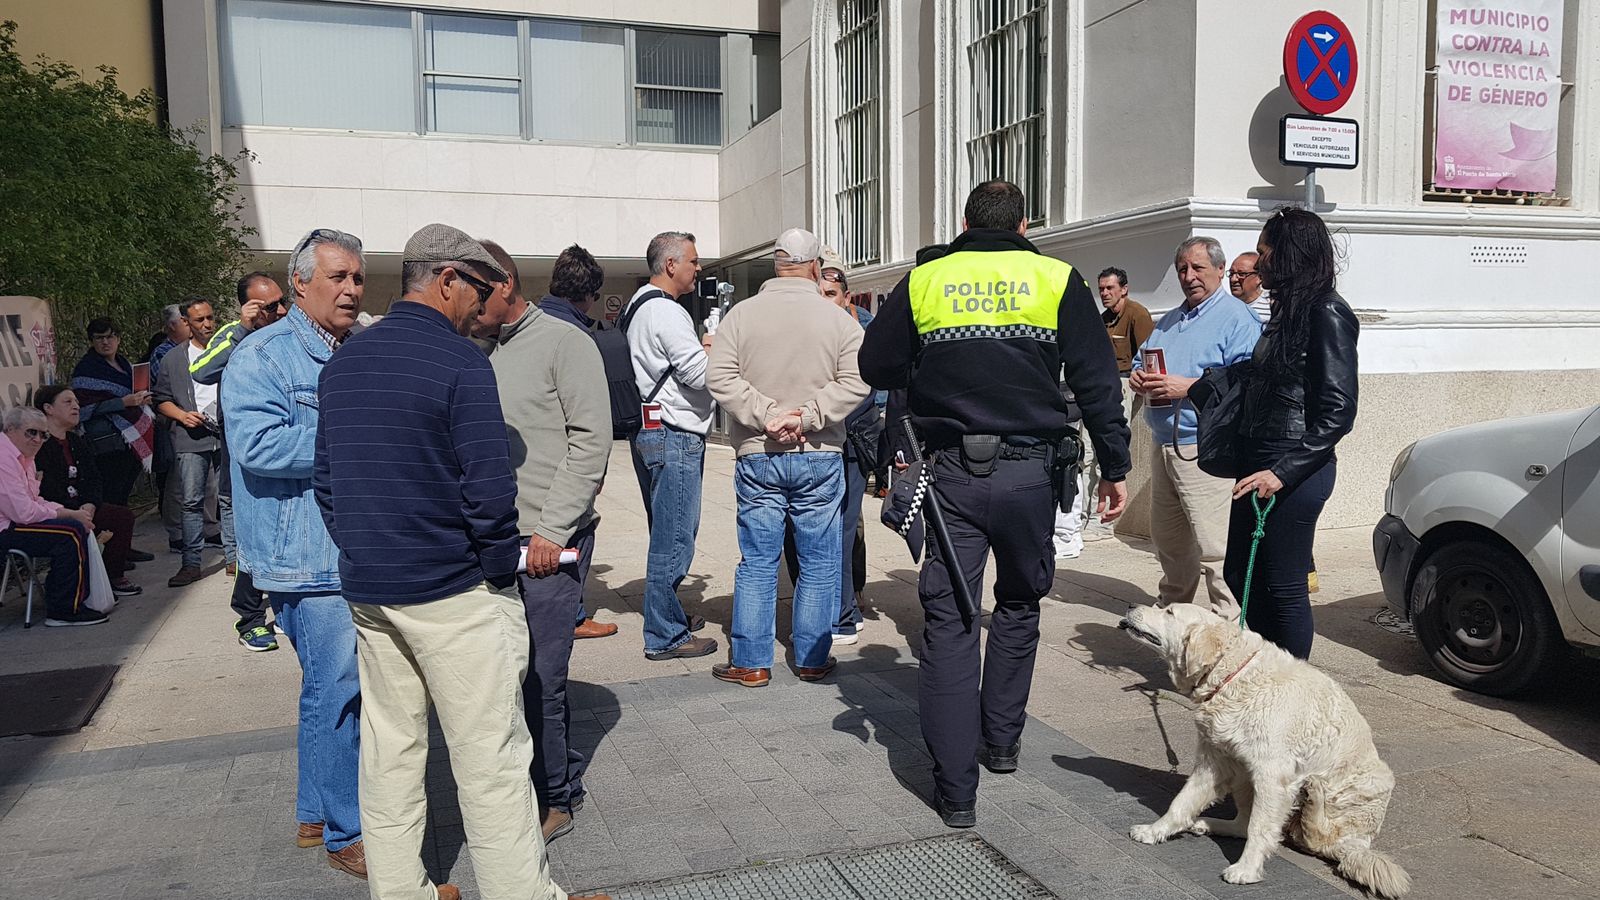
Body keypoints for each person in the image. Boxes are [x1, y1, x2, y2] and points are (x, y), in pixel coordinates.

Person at [317, 224, 600, 900]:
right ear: (447, 281)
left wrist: (365, 550)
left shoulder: (345, 361)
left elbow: (327, 482)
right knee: (492, 763)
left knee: (390, 754)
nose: (485, 303)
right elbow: (490, 491)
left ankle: (402, 890)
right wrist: (497, 569)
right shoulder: (462, 362)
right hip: (453, 591)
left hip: (372, 590)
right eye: (478, 288)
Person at [860, 181, 1131, 828]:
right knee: (1017, 603)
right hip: (1029, 476)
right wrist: (1115, 466)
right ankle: (1002, 745)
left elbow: (876, 365)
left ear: (964, 221)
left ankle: (955, 795)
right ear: (1024, 223)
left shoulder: (928, 279)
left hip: (950, 474)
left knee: (950, 622)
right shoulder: (1056, 278)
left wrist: (935, 369)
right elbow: (1095, 381)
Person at [224, 229, 366, 877]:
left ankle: (316, 813)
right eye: (338, 277)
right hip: (301, 554)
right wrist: (355, 437)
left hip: (339, 547)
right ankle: (347, 833)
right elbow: (257, 446)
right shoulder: (265, 355)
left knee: (326, 688)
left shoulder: (351, 348)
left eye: (357, 278)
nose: (351, 289)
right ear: (301, 283)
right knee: (339, 689)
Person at [474, 238, 610, 845]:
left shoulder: (564, 342)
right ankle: (520, 784)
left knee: (541, 678)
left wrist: (552, 530)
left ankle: (557, 796)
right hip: (488, 541)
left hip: (547, 545)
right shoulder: (474, 348)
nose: (468, 306)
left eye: (476, 293)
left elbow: (590, 444)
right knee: (501, 677)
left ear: (504, 284)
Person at [706, 228, 870, 688]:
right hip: (819, 451)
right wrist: (810, 415)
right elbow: (859, 381)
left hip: (759, 451)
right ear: (816, 266)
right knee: (819, 560)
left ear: (775, 265)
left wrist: (767, 414)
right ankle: (814, 657)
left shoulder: (741, 316)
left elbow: (719, 377)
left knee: (758, 560)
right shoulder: (838, 320)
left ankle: (752, 661)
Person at [1220, 208, 1358, 659]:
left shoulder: (1328, 311)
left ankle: (1290, 684)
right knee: (1240, 573)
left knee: (1282, 584)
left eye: (1264, 252)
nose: (1258, 264)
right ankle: (1264, 669)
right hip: (1259, 457)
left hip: (1294, 466)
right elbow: (1268, 374)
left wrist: (1282, 472)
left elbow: (1339, 409)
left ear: (1289, 254)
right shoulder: (1284, 311)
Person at [1130, 236, 1261, 613]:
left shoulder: (1238, 318)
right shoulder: (1170, 320)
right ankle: (1173, 619)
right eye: (1183, 269)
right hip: (1164, 443)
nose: (1189, 276)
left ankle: (1231, 627)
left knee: (1215, 549)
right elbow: (1142, 361)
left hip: (1207, 449)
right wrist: (1139, 378)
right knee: (1171, 545)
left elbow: (1246, 381)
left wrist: (1189, 387)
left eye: (1198, 268)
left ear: (1220, 270)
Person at [622, 231, 718, 662]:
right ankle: (664, 634)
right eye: (693, 262)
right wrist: (714, 348)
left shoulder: (637, 306)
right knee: (675, 537)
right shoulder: (665, 311)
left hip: (652, 429)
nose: (699, 269)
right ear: (670, 265)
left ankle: (668, 612)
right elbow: (699, 375)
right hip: (675, 433)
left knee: (664, 530)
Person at [781, 245, 876, 645]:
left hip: (848, 445)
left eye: (831, 294)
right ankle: (821, 605)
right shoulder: (802, 328)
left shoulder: (860, 330)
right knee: (803, 530)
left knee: (841, 528)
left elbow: (870, 389)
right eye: (818, 293)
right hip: (806, 444)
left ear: (846, 295)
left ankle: (839, 610)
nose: (824, 301)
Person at [193, 271, 289, 651]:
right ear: (247, 307)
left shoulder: (290, 332)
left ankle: (286, 608)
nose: (279, 311)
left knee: (286, 534)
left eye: (283, 302)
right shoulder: (233, 335)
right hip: (245, 460)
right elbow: (200, 371)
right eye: (268, 306)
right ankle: (249, 618)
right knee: (251, 542)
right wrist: (242, 330)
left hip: (285, 451)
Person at [533, 243, 620, 641]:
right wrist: (594, 473)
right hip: (562, 470)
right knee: (575, 537)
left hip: (527, 473)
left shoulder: (526, 326)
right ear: (587, 295)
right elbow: (587, 425)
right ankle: (572, 616)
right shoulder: (573, 336)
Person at [153, 297, 235, 588]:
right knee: (191, 501)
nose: (207, 325)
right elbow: (160, 399)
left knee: (228, 498)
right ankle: (191, 563)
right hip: (190, 436)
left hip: (225, 433)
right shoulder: (173, 359)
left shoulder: (227, 350)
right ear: (186, 323)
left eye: (210, 318)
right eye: (199, 320)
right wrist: (181, 416)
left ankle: (234, 559)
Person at [33, 386, 141, 597]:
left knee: (120, 517)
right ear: (48, 408)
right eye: (67, 402)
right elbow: (44, 489)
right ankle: (78, 588)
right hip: (56, 510)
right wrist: (74, 510)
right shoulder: (38, 444)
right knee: (75, 527)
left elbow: (93, 478)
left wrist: (90, 503)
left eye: (76, 402)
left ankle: (112, 577)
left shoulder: (76, 441)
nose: (75, 407)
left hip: (83, 506)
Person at [0, 406, 103, 626]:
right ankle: (65, 609)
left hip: (14, 523)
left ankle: (65, 597)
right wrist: (67, 513)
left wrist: (74, 513)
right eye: (31, 432)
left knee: (76, 525)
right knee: (70, 533)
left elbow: (34, 501)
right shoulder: (3, 458)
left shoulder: (24, 457)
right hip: (6, 528)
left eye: (43, 434)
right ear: (10, 429)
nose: (38, 439)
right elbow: (23, 512)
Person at [70, 318, 154, 509]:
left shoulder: (124, 364)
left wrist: (140, 399)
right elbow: (82, 409)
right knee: (111, 495)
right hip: (105, 443)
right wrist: (122, 402)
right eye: (99, 338)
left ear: (119, 339)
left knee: (122, 494)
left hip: (130, 440)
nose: (105, 342)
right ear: (92, 341)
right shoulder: (87, 368)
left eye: (110, 336)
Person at [150, 304, 192, 552]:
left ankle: (208, 529)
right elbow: (166, 391)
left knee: (208, 482)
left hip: (201, 419)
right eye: (184, 321)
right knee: (177, 481)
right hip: (174, 419)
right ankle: (176, 533)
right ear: (171, 326)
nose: (191, 325)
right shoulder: (163, 354)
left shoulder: (200, 348)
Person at [1229, 251, 1271, 324]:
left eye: (1241, 274)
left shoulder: (1272, 307)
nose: (1233, 279)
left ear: (1260, 277)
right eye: (1231, 273)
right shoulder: (1225, 307)